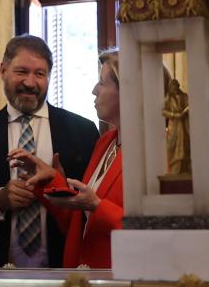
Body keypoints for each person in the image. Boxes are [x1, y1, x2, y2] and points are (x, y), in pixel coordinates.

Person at [0, 35, 98, 268]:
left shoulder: (83, 131)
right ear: (3, 70)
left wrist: (60, 187)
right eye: (22, 71)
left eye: (40, 74)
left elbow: (92, 209)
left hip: (64, 270)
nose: (30, 83)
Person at [13, 48, 125, 269]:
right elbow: (77, 222)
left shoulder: (155, 151)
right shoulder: (105, 142)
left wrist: (97, 206)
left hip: (122, 277)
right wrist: (51, 181)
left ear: (128, 91)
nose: (94, 90)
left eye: (102, 83)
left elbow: (159, 232)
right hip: (82, 276)